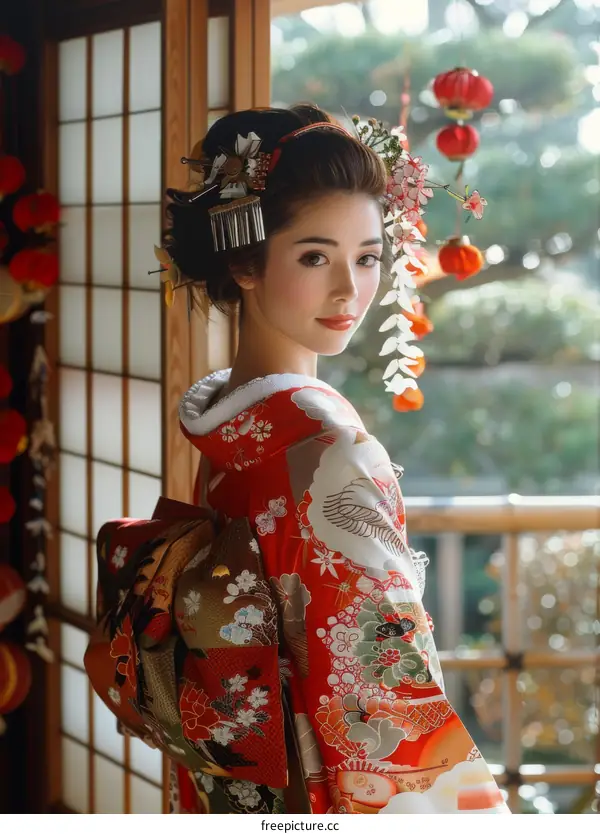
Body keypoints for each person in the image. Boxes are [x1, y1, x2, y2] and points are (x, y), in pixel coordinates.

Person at [162, 105, 509, 814]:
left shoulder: (234, 420)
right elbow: (383, 688)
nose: (350, 290)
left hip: (235, 788)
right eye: (315, 257)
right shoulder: (324, 446)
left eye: (368, 256)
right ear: (244, 261)